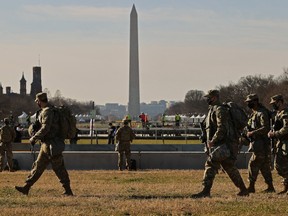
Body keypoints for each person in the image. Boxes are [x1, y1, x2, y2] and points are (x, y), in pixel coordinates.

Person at [191, 90, 249, 198]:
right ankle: (243, 189)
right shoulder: (212, 110)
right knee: (229, 166)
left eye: (209, 97)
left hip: (224, 144)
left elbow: (222, 128)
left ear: (214, 97)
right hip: (223, 144)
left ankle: (206, 190)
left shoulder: (220, 110)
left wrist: (213, 140)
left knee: (211, 163)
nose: (207, 99)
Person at [15, 92, 73, 196]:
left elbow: (45, 128)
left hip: (52, 144)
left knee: (59, 168)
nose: (37, 103)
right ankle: (26, 187)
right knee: (38, 166)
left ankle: (68, 190)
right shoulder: (48, 110)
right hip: (47, 144)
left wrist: (34, 138)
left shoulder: (47, 112)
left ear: (39, 101)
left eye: (37, 101)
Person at [244, 94, 275, 193]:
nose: (248, 104)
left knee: (253, 164)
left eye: (250, 102)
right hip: (257, 143)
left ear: (256, 101)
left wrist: (252, 132)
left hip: (262, 144)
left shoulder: (262, 113)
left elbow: (265, 127)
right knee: (264, 165)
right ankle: (270, 187)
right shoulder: (254, 113)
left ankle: (251, 186)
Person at [268, 94, 288, 194]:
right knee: (279, 166)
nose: (273, 105)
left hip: (286, 142)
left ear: (280, 102)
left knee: (282, 165)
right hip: (281, 142)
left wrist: (274, 134)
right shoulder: (278, 114)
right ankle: (286, 187)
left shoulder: (285, 113)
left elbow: (286, 128)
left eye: (274, 103)